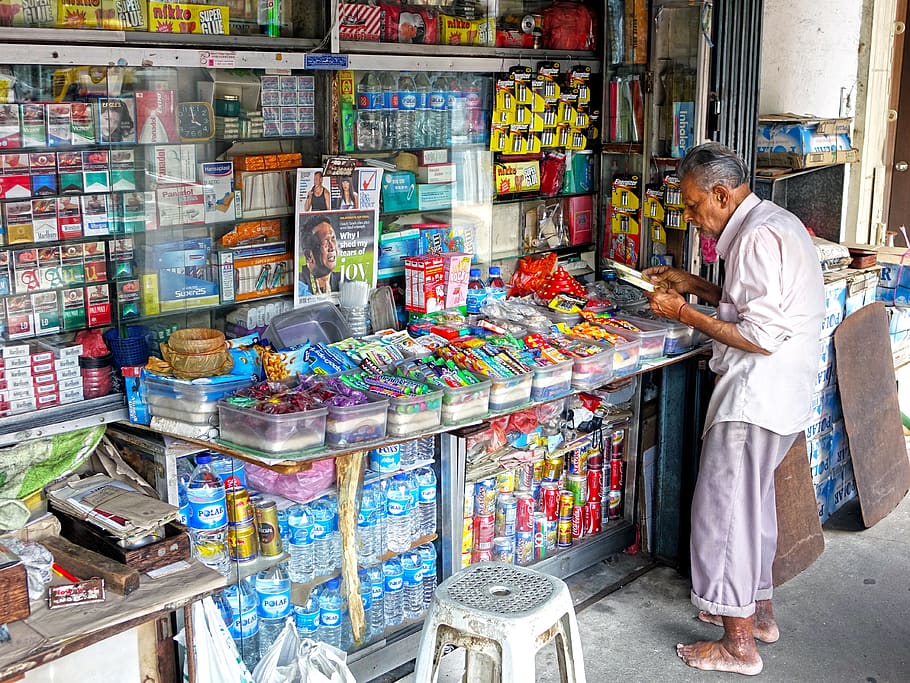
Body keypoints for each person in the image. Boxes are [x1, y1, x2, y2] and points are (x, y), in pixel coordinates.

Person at [642, 142, 824, 676]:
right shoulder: (773, 223)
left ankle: (738, 644)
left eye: (696, 206)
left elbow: (759, 333)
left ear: (722, 195)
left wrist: (683, 313)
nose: (693, 217)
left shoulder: (756, 237)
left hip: (755, 396)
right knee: (752, 508)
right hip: (781, 396)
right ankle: (759, 614)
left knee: (724, 514)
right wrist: (696, 287)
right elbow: (755, 299)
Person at [298, 213, 341, 297]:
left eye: (333, 239)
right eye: (325, 241)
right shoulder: (299, 284)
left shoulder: (343, 279)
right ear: (308, 255)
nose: (332, 247)